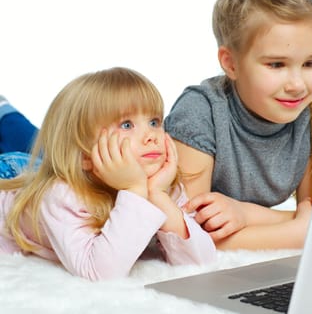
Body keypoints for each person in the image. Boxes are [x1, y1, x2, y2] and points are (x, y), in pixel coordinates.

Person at [164, 0, 312, 250]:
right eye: (276, 65)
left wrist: (246, 215)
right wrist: (295, 233)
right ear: (230, 63)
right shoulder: (200, 111)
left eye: (309, 64)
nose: (297, 85)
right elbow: (183, 236)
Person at [0, 67, 216, 281]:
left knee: (32, 143)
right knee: (23, 139)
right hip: (8, 175)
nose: (151, 135)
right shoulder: (62, 195)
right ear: (85, 155)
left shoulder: (161, 184)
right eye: (127, 124)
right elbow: (99, 273)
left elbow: (201, 262)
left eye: (154, 122)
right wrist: (134, 190)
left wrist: (159, 196)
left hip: (34, 168)